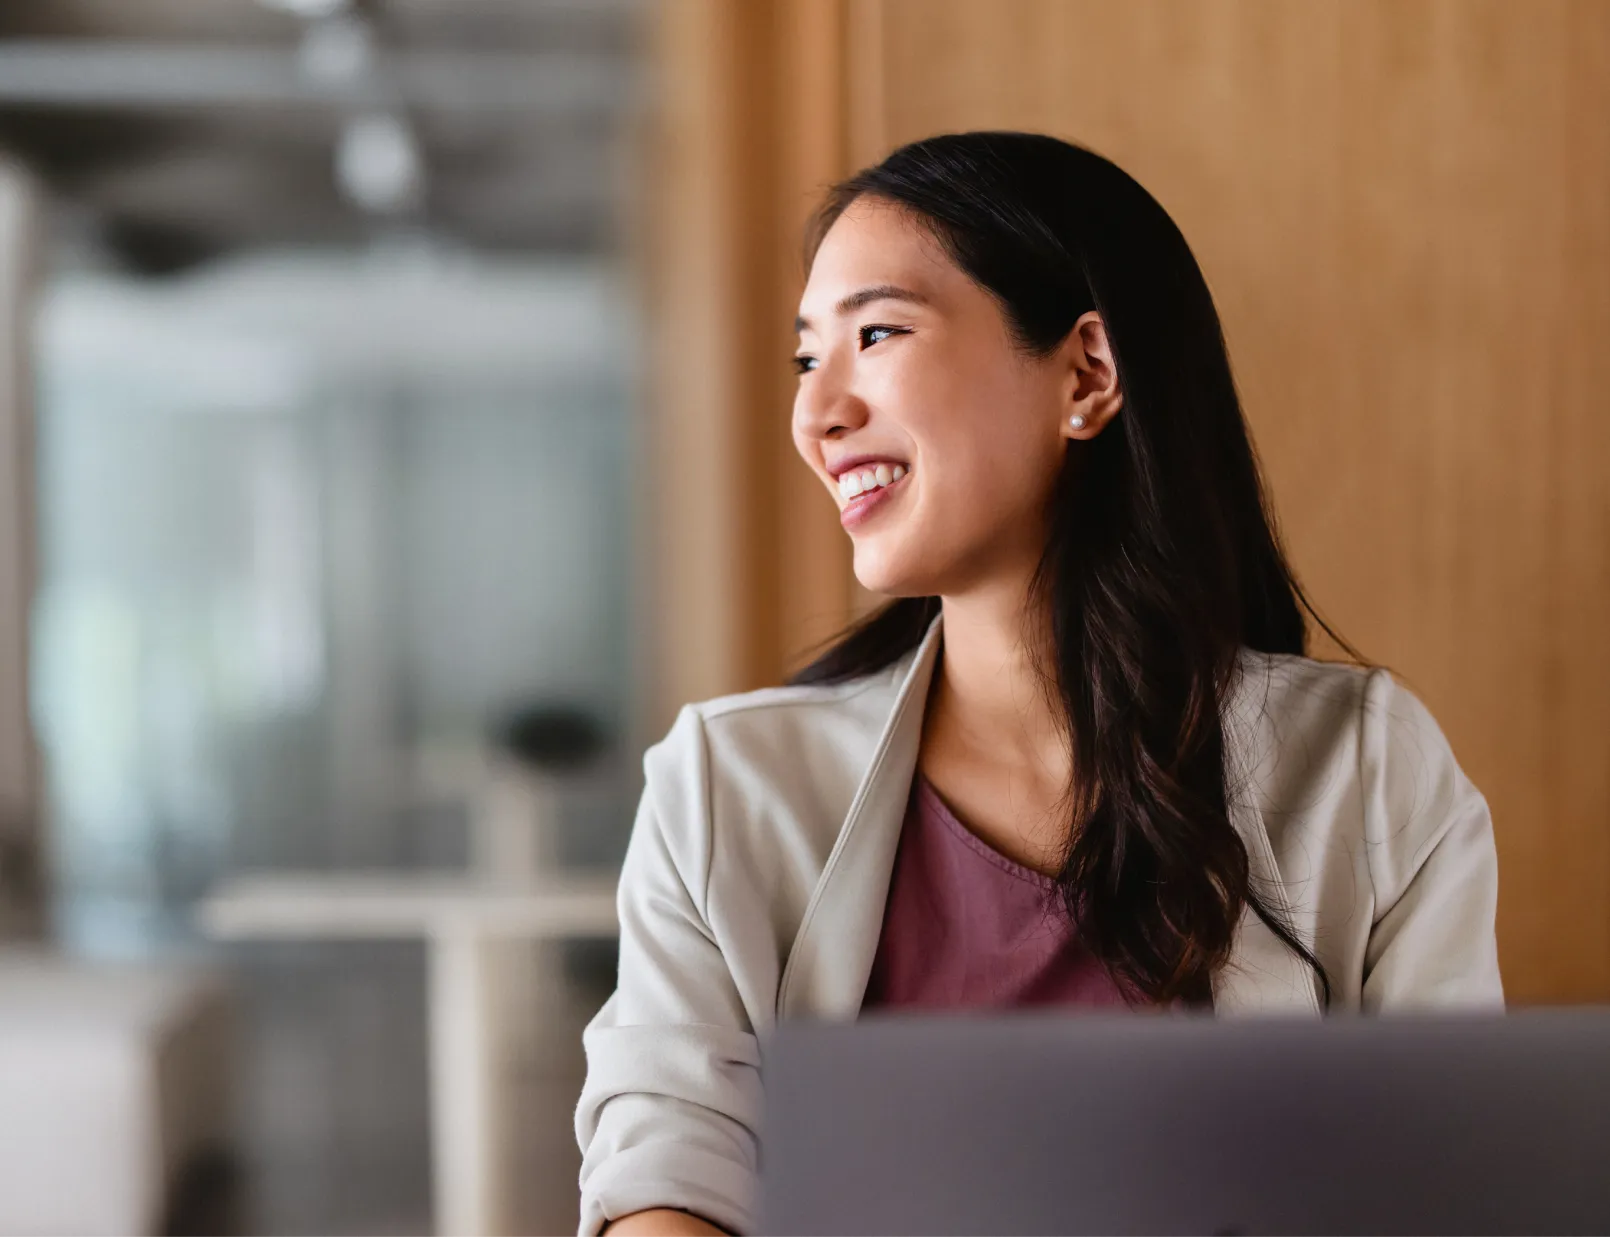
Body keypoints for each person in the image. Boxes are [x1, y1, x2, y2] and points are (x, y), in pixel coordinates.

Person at [574, 131, 1502, 1237]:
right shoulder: (726, 786)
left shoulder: (1361, 767)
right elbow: (665, 1174)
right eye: (803, 357)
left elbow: (1452, 1184)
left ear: (1085, 373)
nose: (814, 415)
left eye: (874, 334)